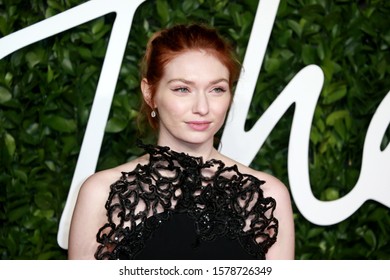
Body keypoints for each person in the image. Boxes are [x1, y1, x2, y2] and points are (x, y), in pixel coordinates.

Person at [68, 23, 295, 260]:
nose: (202, 107)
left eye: (216, 89)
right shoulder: (101, 193)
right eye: (182, 89)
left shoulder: (267, 196)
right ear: (150, 93)